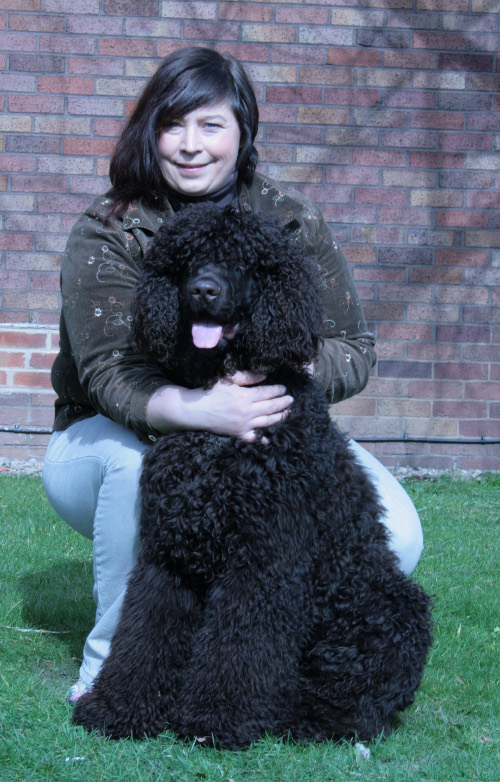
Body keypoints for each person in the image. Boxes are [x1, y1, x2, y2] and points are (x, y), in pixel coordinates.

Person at [42, 47, 423, 704]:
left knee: (396, 534)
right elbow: (105, 370)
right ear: (150, 133)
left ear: (243, 131)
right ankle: (110, 673)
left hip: (262, 414)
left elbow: (354, 347)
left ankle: (265, 665)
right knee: (142, 473)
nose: (191, 145)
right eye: (173, 125)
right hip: (110, 436)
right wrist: (199, 409)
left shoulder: (289, 217)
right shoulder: (110, 228)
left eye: (210, 125)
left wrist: (279, 361)